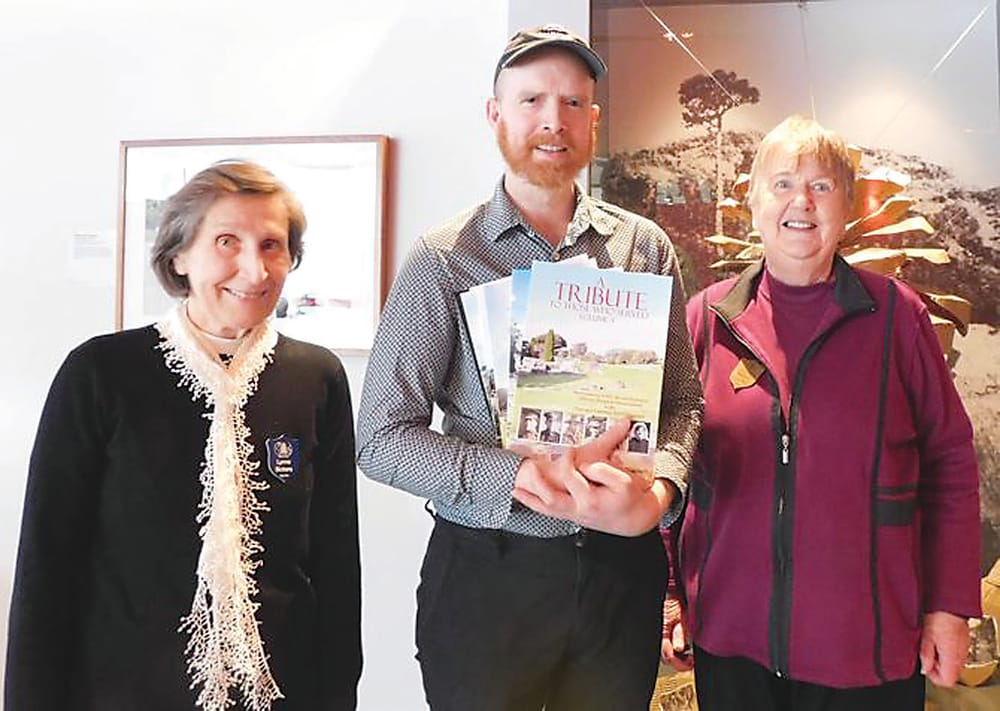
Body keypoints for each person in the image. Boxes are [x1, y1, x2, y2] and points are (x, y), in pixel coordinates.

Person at [356, 23, 702, 711]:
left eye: (574, 103)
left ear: (594, 120)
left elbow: (683, 403)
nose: (554, 120)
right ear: (496, 115)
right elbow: (380, 435)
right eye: (532, 100)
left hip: (617, 577)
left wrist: (660, 494)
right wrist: (513, 473)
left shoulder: (643, 248)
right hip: (489, 571)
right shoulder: (446, 258)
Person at [5, 160, 362, 711]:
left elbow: (336, 562)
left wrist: (337, 695)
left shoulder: (316, 376)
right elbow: (48, 562)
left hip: (280, 691)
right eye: (227, 241)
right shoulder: (102, 372)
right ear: (178, 256)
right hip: (122, 690)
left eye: (272, 245)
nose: (254, 268)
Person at [665, 115, 981, 710]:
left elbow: (950, 465)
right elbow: (667, 463)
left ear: (847, 206)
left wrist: (949, 606)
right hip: (732, 642)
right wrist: (672, 594)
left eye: (821, 185)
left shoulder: (896, 318)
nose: (800, 202)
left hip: (866, 649)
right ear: (754, 200)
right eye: (782, 183)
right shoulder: (707, 318)